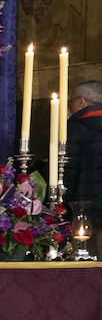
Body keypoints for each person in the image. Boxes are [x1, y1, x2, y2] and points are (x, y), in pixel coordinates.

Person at [64, 80, 102, 244]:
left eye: (70, 100)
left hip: (85, 211)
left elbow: (68, 171)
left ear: (81, 101)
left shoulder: (76, 128)